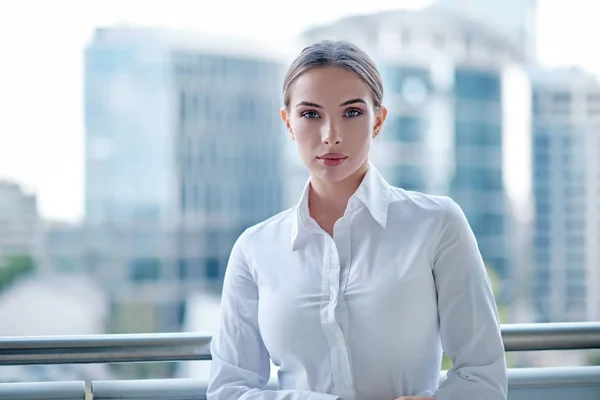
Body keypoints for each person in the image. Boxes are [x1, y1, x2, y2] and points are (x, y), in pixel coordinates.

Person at [207, 40, 507, 400]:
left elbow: (484, 378)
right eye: (310, 114)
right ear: (287, 122)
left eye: (351, 113)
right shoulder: (254, 249)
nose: (331, 135)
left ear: (378, 120)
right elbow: (229, 389)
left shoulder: (438, 224)